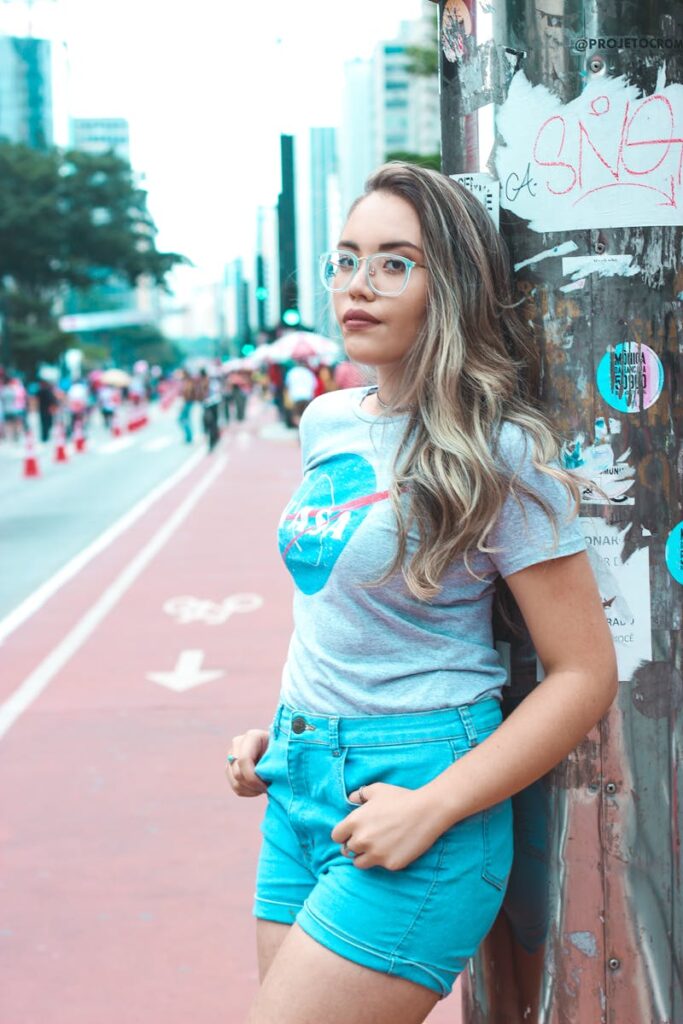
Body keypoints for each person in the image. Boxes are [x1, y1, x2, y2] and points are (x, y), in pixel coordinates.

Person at [225, 163, 617, 1024]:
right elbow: (340, 606)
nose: (355, 287)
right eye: (344, 260)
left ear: (452, 283)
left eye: (394, 263)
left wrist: (432, 807)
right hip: (298, 781)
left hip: (420, 796)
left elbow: (583, 673)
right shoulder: (327, 420)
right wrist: (284, 725)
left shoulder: (500, 452)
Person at [283, 358, 317, 428]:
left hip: (295, 396)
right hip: (307, 396)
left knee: (296, 415)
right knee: (305, 415)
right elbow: (314, 385)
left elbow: (287, 385)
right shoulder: (308, 372)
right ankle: (303, 429)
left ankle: (299, 428)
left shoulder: (292, 372)